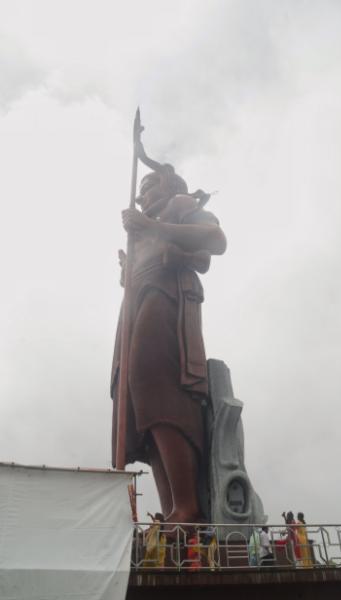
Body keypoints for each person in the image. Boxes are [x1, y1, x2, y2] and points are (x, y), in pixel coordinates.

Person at [111, 155, 227, 524]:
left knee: (154, 382)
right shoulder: (138, 230)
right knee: (134, 396)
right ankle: (174, 507)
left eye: (149, 186)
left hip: (165, 295)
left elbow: (216, 240)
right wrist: (126, 269)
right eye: (141, 189)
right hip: (135, 298)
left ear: (168, 185)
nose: (142, 194)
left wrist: (153, 226)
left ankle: (188, 504)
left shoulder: (179, 205)